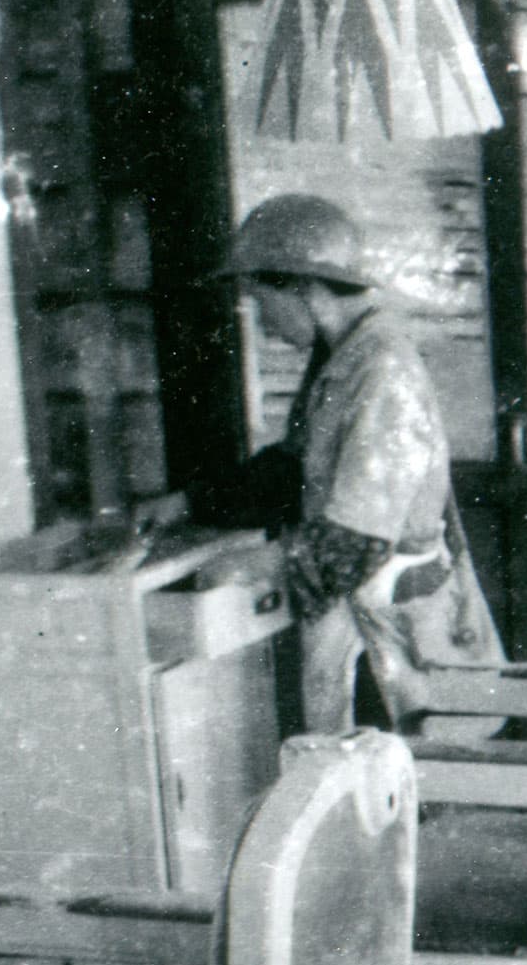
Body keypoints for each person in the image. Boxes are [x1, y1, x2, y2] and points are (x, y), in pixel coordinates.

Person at [189, 194, 503, 731]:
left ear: (302, 288)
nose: (264, 326)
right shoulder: (342, 360)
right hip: (361, 622)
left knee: (395, 766)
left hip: (392, 635)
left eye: (262, 303)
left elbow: (354, 546)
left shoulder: (382, 371)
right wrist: (186, 504)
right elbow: (294, 468)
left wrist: (240, 567)